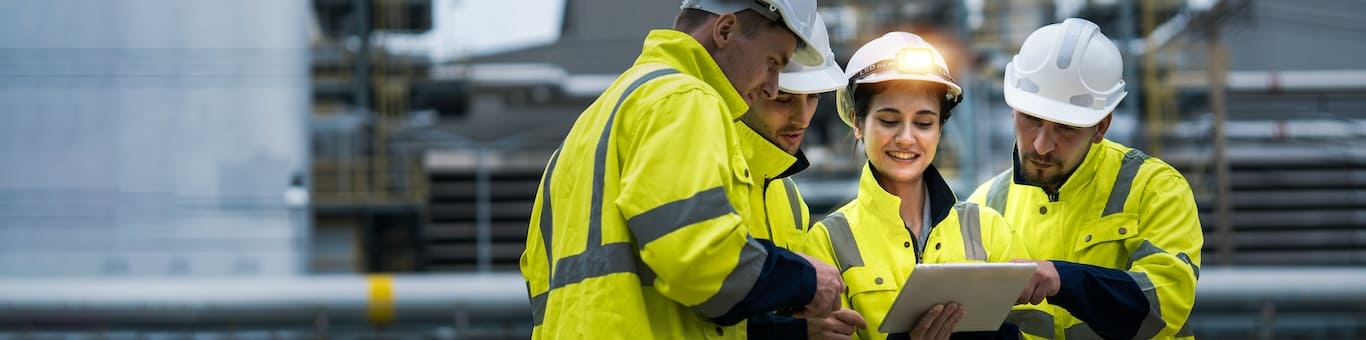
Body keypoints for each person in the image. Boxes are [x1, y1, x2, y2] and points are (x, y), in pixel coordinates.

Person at [520, 0, 846, 338]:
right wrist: (805, 279)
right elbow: (698, 258)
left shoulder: (592, 124)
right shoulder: (685, 99)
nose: (772, 86)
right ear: (725, 30)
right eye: (772, 63)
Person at [966, 18, 1202, 339]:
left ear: (1101, 127)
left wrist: (1064, 280)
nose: (1042, 145)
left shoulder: (1154, 188)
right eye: (1031, 119)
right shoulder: (983, 205)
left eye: (1066, 128)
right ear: (1013, 110)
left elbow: (1165, 305)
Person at [803, 32, 1027, 340]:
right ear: (857, 123)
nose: (907, 138)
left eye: (923, 123)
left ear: (939, 129)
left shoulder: (989, 230)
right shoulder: (827, 243)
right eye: (889, 120)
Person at [726, 15, 868, 340]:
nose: (802, 118)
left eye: (813, 97)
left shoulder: (788, 196)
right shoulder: (711, 171)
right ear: (749, 86)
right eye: (783, 99)